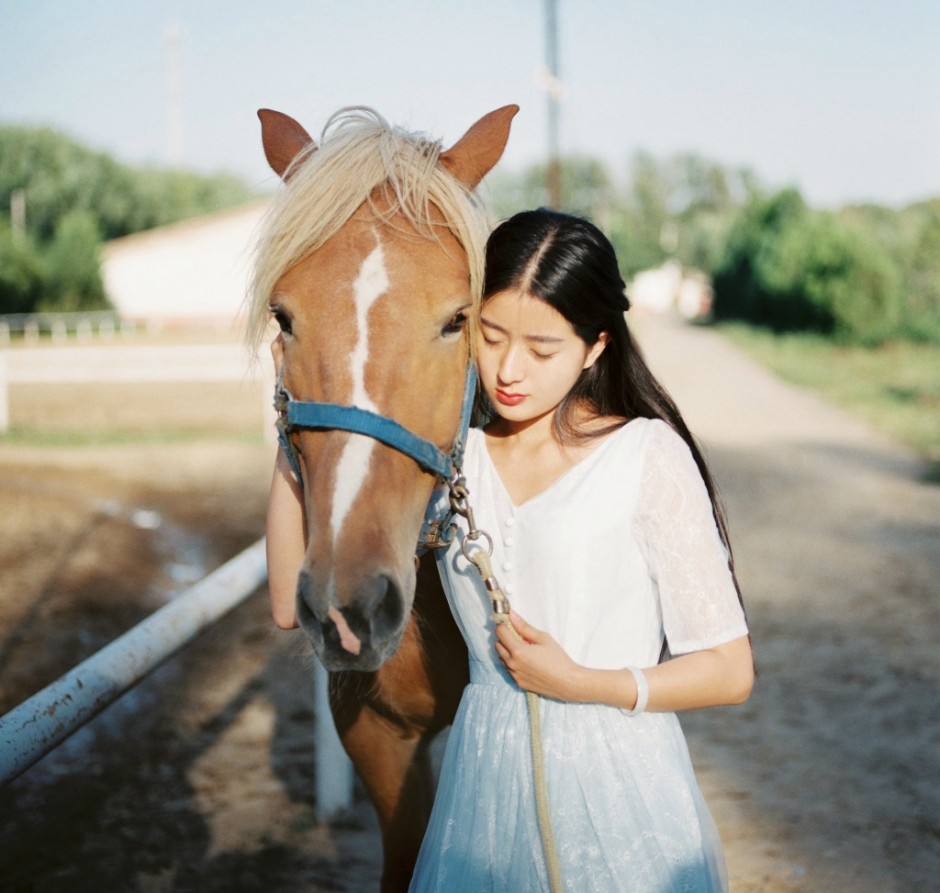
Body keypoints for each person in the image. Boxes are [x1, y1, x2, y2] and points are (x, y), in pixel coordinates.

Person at [269, 208, 753, 893]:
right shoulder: (453, 463)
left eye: (542, 348)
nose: (509, 371)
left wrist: (586, 682)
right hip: (481, 802)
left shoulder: (647, 458)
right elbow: (293, 605)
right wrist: (296, 419)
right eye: (490, 337)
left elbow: (730, 670)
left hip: (622, 801)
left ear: (595, 347)